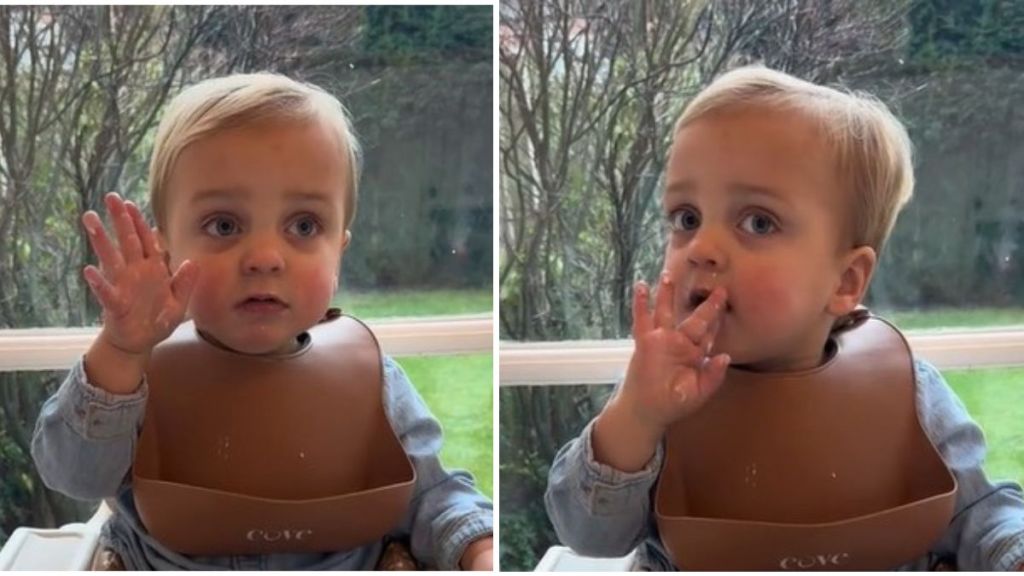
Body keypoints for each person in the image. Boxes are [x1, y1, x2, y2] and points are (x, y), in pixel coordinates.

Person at [545, 66, 1024, 571]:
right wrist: (638, 416)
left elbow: (983, 517)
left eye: (757, 222)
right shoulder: (662, 394)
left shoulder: (908, 391)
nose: (702, 247)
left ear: (844, 281)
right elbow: (590, 537)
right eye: (687, 218)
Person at [31, 73, 493, 570]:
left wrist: (478, 548)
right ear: (166, 247)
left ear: (339, 247)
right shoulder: (136, 379)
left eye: (304, 225)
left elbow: (435, 499)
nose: (266, 257)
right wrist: (120, 353)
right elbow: (73, 475)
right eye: (224, 225)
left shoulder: (372, 380)